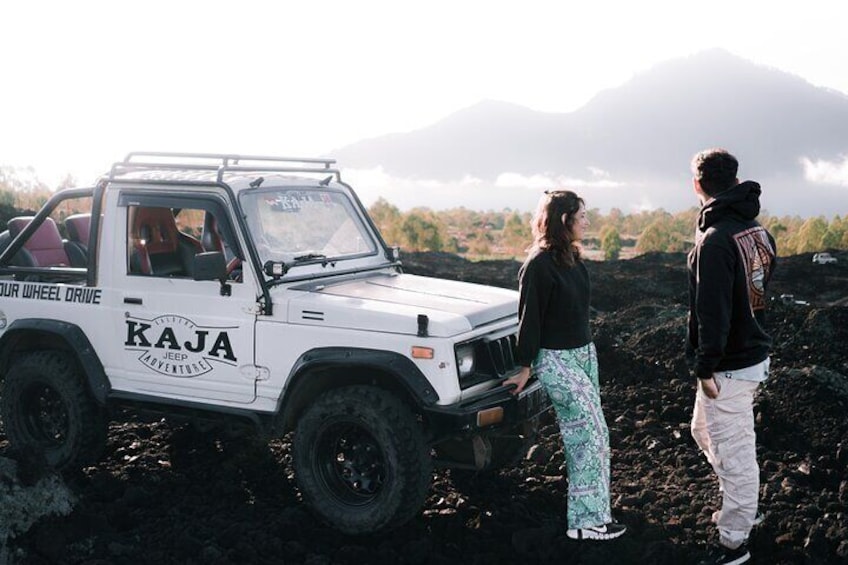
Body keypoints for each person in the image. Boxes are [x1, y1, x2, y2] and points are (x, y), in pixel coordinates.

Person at [503, 189, 626, 541]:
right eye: (581, 216)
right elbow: (530, 321)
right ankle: (584, 523)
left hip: (584, 355)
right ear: (562, 220)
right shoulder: (537, 265)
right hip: (556, 360)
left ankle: (598, 514)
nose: (587, 222)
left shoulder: (571, 258)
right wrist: (524, 365)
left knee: (598, 434)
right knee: (585, 434)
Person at [686, 149, 776, 565]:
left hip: (730, 366)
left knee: (734, 453)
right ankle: (742, 502)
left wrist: (706, 367)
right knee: (704, 431)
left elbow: (713, 313)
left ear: (698, 184)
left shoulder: (715, 240)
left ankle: (734, 541)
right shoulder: (757, 231)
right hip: (748, 356)